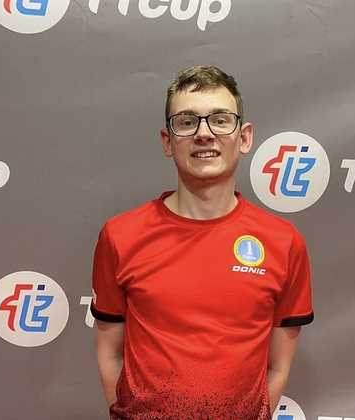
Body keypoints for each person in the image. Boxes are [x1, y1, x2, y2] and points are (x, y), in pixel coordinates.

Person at [91, 65, 314, 420]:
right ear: (168, 141)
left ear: (244, 137)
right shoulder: (120, 235)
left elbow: (277, 367)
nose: (204, 134)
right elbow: (110, 355)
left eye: (221, 120)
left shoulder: (284, 242)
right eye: (187, 122)